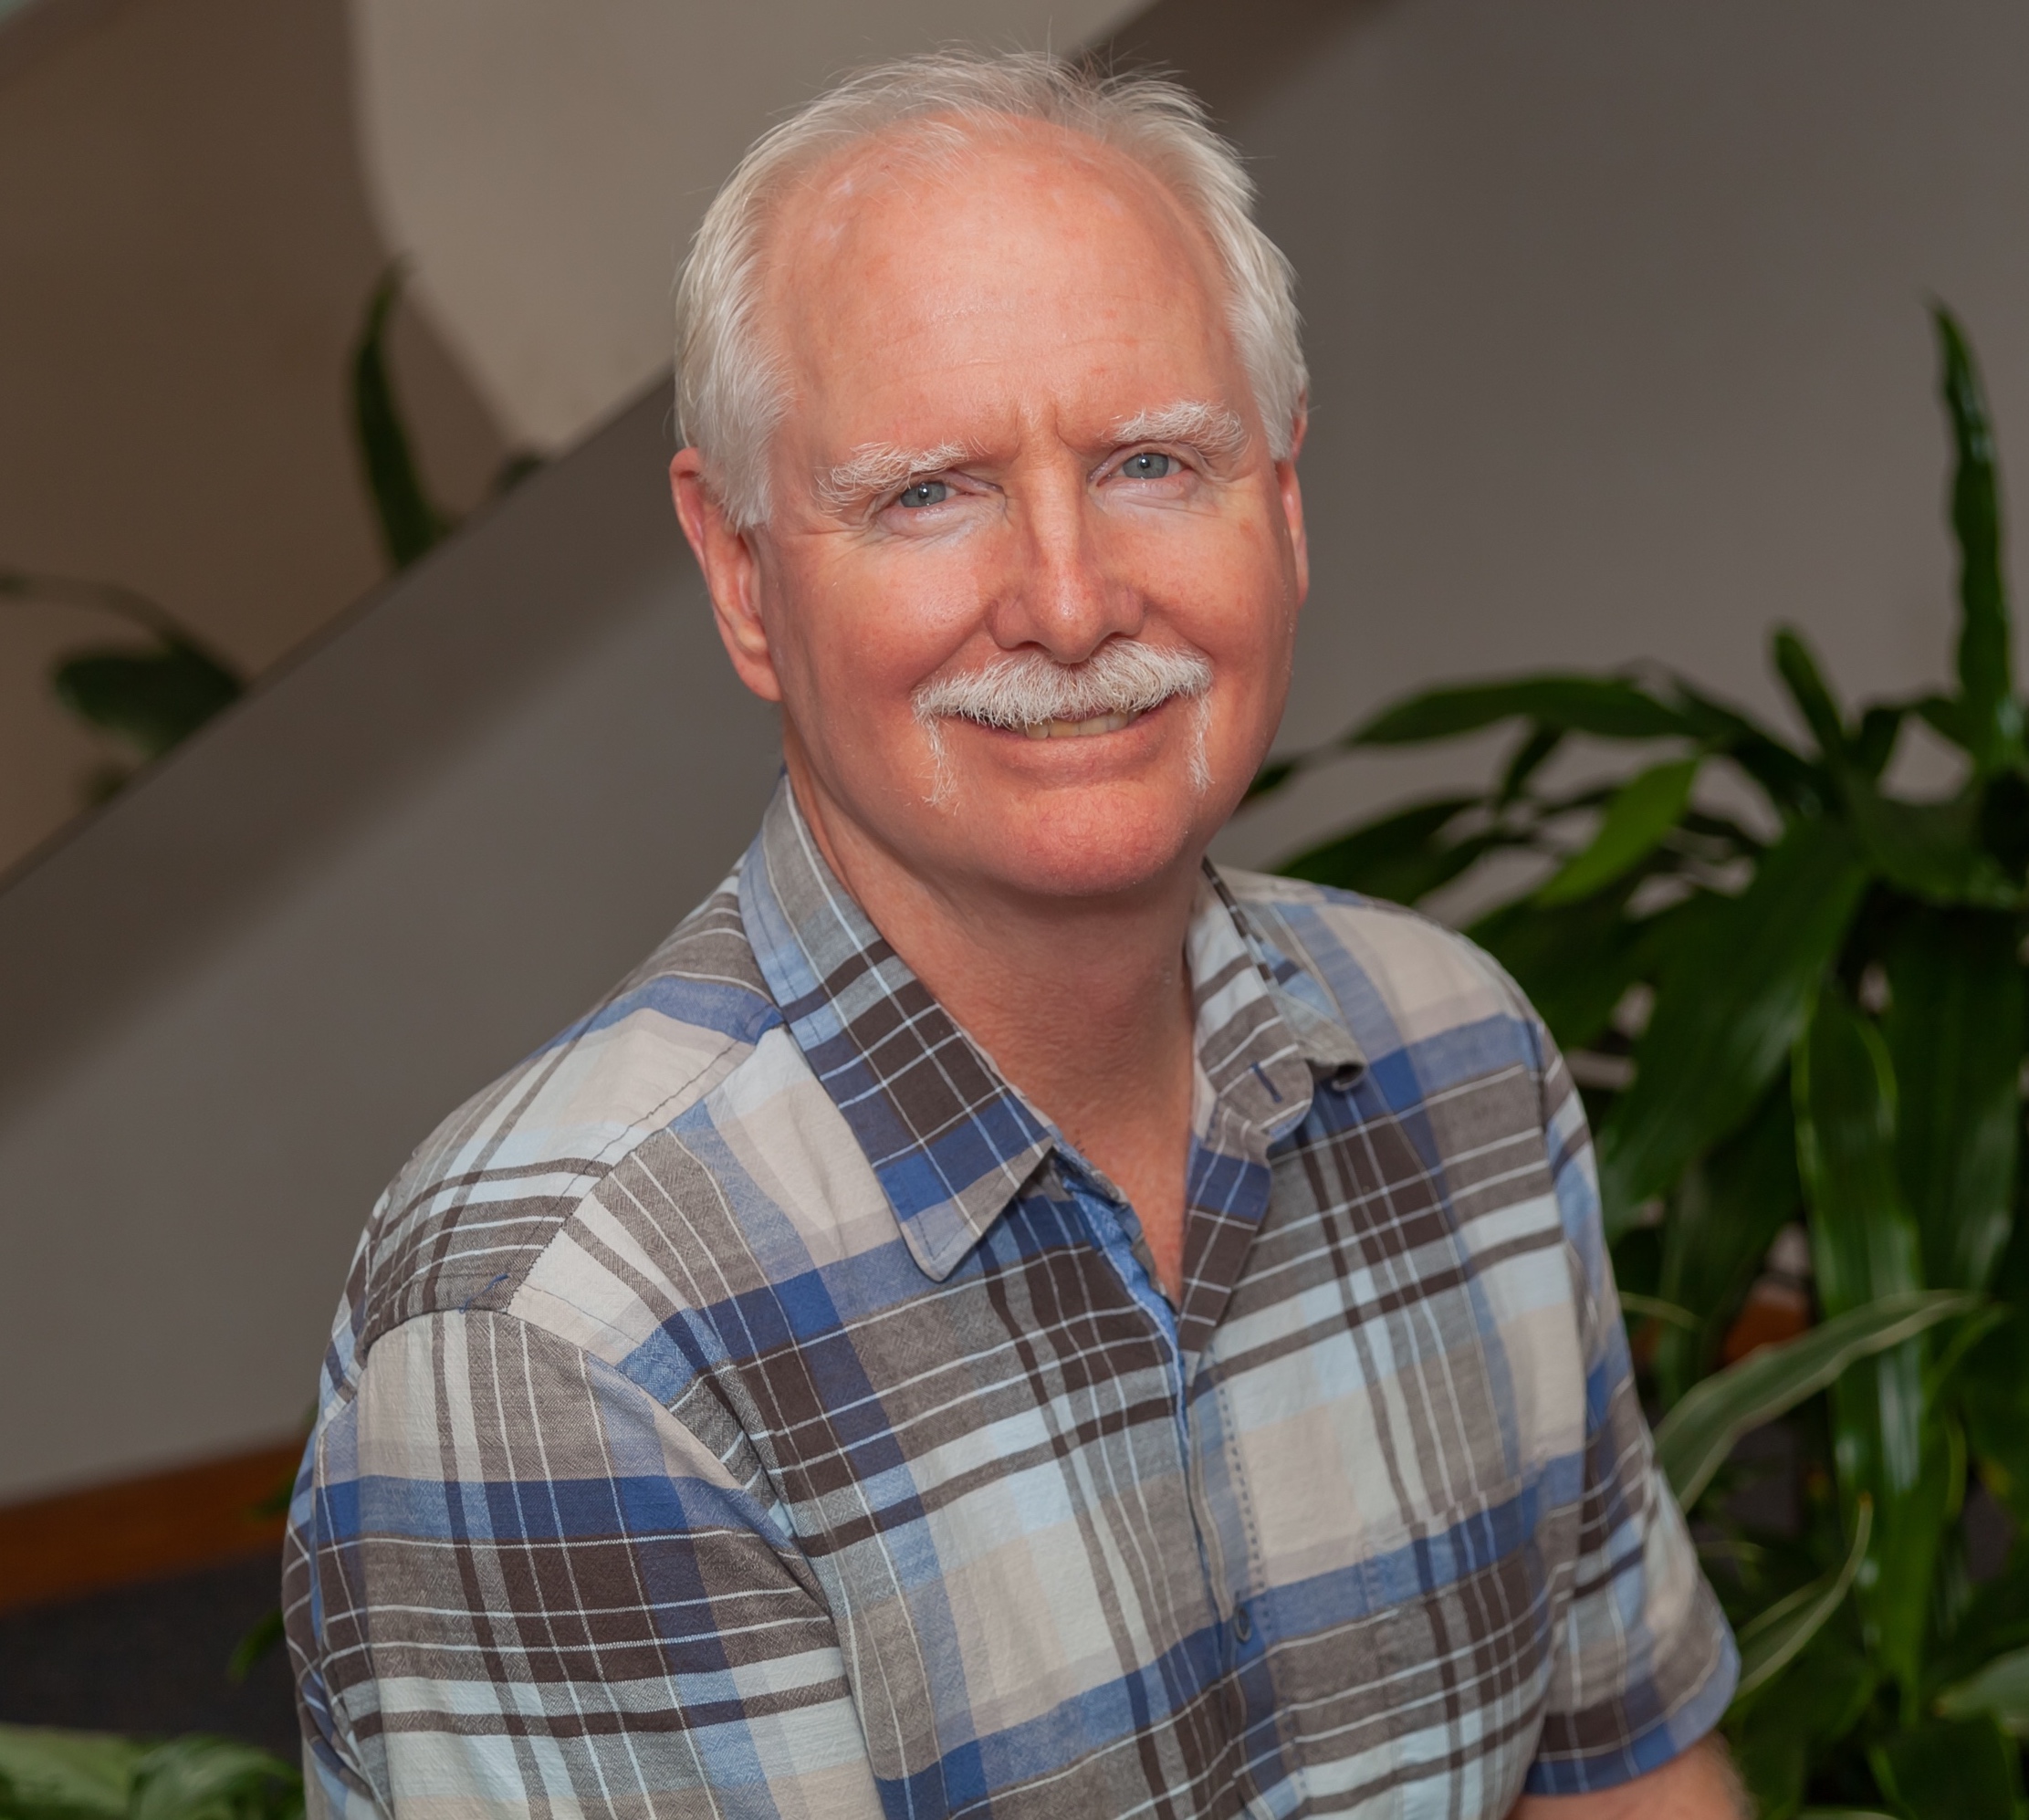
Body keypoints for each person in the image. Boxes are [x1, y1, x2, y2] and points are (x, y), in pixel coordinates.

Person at [283, 51, 1741, 1820]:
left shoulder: (1459, 1064)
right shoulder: (566, 1335)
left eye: (1147, 460)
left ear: (1278, 508)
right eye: (927, 491)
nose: (1064, 601)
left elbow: (1621, 1782)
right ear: (741, 574)